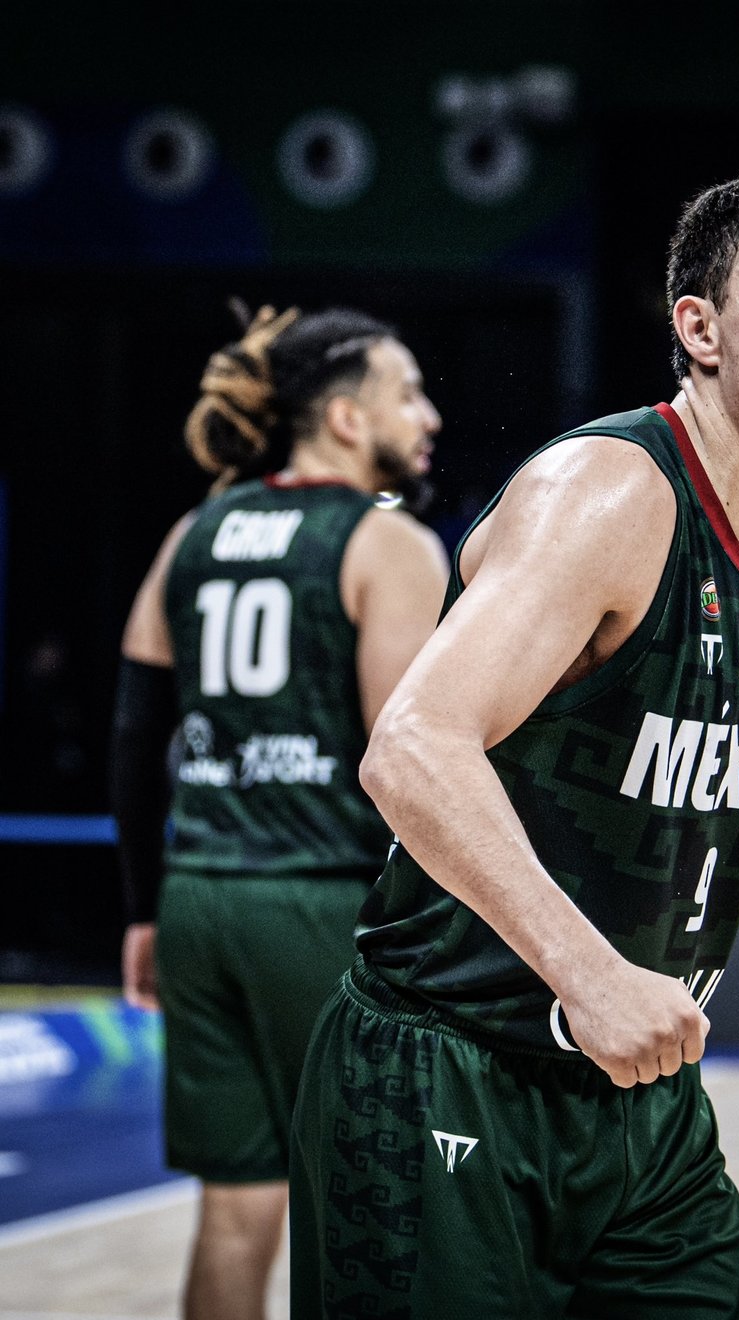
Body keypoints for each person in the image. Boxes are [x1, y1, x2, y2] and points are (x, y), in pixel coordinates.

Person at [289, 167, 739, 1319]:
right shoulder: (609, 491)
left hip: (644, 1098)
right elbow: (413, 747)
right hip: (451, 1067)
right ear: (700, 330)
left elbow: (734, 756)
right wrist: (587, 974)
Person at [109, 302, 450, 1320]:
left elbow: (134, 737)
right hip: (323, 909)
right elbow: (408, 760)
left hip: (199, 900)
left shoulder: (193, 533)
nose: (428, 417)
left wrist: (142, 911)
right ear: (346, 419)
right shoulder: (387, 542)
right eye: (407, 395)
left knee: (233, 1210)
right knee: (378, 1213)